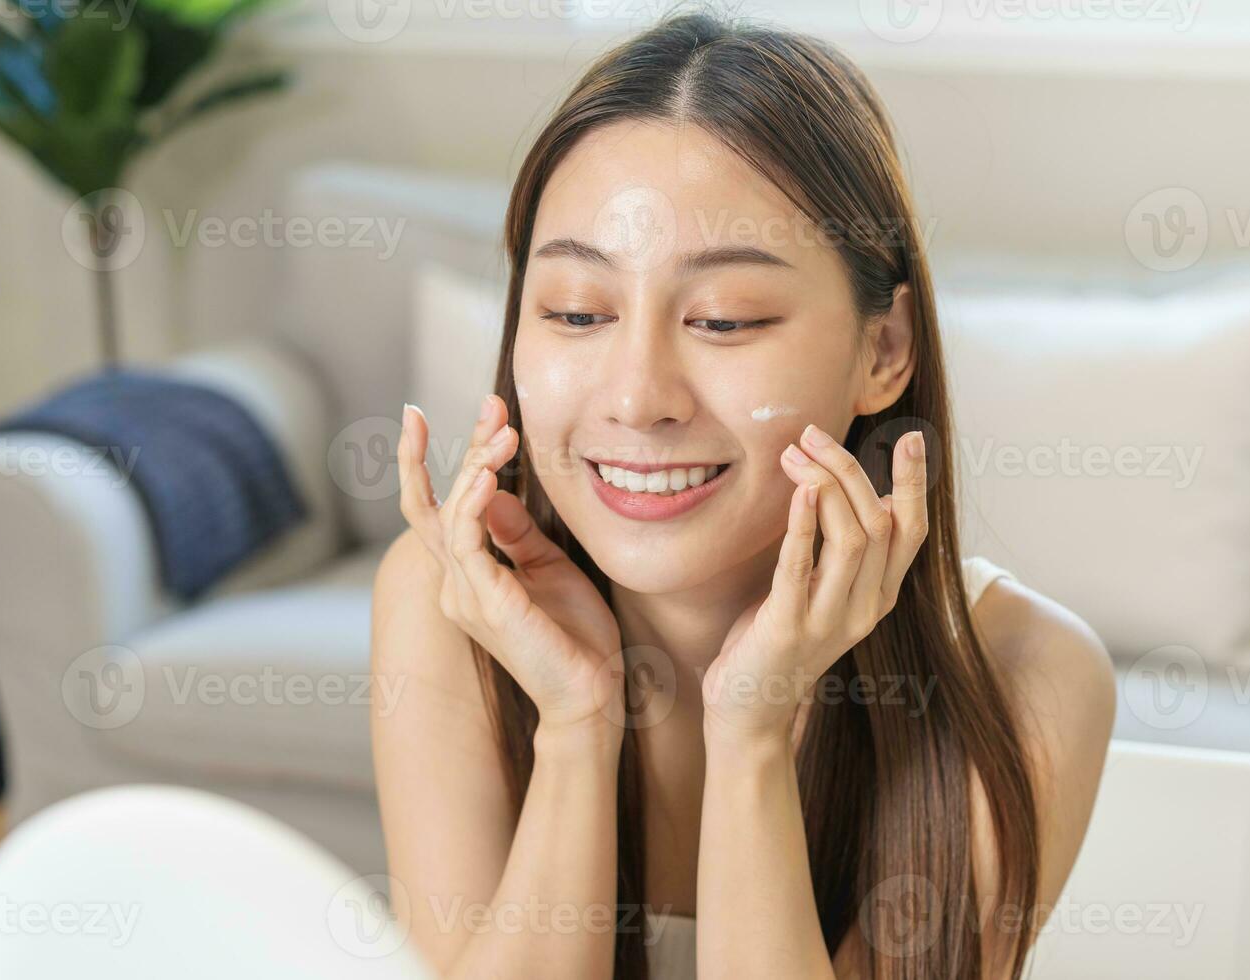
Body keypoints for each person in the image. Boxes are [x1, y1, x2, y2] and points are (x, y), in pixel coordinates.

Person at [372, 8, 1116, 980]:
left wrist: (753, 732)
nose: (637, 396)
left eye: (724, 319)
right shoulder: (449, 607)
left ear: (882, 350)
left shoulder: (1023, 675)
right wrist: (575, 727)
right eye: (576, 311)